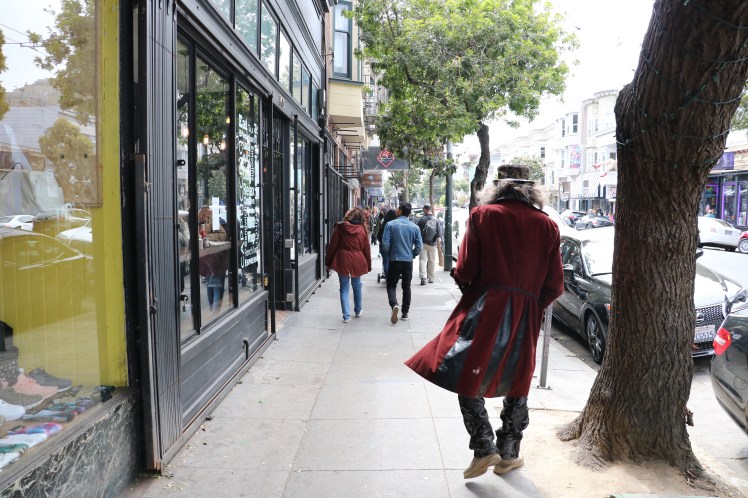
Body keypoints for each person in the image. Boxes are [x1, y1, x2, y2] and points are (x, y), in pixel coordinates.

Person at [404, 164, 564, 479]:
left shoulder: (482, 216)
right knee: (519, 378)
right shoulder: (547, 225)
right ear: (532, 191)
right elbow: (555, 285)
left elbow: (464, 270)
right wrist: (529, 303)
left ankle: (483, 445)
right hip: (527, 311)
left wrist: (478, 289)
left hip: (485, 306)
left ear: (498, 187)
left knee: (467, 370)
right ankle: (509, 452)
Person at [325, 207, 372, 323]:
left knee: (344, 288)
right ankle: (358, 310)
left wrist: (328, 262)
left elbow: (332, 246)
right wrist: (368, 264)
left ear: (350, 215)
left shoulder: (341, 227)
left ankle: (346, 316)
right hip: (357, 260)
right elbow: (367, 249)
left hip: (342, 259)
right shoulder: (362, 230)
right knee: (357, 286)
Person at [382, 202, 422, 324]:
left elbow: (385, 244)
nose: (396, 210)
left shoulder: (390, 224)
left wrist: (389, 253)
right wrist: (412, 254)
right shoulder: (415, 227)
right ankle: (405, 313)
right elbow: (419, 247)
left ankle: (394, 304)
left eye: (397, 209)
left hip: (395, 259)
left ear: (400, 211)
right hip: (408, 260)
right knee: (406, 286)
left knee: (391, 285)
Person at [417, 204, 443, 285]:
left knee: (422, 260)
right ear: (430, 209)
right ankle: (431, 278)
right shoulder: (436, 220)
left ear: (425, 209)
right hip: (432, 244)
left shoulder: (421, 219)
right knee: (431, 261)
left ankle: (423, 278)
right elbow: (439, 234)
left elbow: (417, 232)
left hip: (423, 243)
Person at [377, 207, 397, 278]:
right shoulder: (397, 224)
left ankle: (387, 277)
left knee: (386, 262)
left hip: (384, 245)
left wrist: (381, 242)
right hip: (395, 246)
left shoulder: (384, 223)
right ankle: (393, 276)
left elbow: (378, 235)